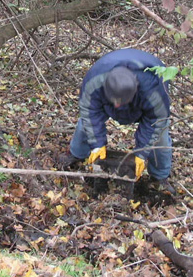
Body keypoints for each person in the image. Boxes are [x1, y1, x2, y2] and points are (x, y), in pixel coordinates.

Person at [62, 48, 174, 192]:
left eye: (120, 102)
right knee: (85, 124)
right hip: (106, 94)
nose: (117, 105)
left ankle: (159, 178)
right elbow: (89, 112)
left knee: (160, 138)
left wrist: (141, 153)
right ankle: (76, 154)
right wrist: (97, 144)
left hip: (142, 103)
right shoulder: (95, 81)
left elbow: (156, 122)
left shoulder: (154, 90)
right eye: (114, 101)